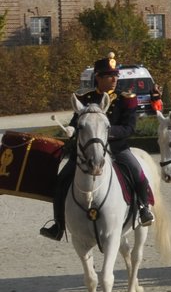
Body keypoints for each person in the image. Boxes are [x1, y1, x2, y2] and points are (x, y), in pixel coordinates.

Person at [40, 52, 154, 240]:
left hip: (117, 148)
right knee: (61, 181)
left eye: (116, 75)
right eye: (110, 75)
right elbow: (76, 121)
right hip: (86, 152)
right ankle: (58, 224)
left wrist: (102, 134)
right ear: (98, 78)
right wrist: (70, 128)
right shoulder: (86, 98)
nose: (115, 79)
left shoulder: (126, 98)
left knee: (137, 173)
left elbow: (129, 128)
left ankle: (143, 209)